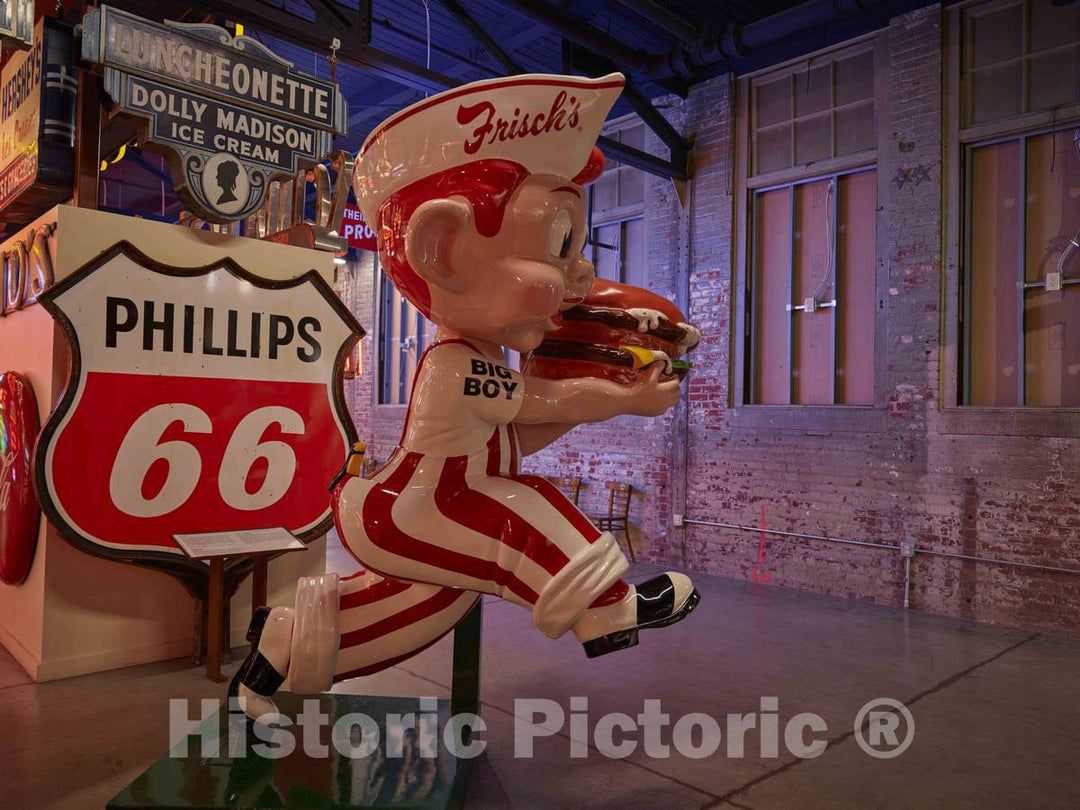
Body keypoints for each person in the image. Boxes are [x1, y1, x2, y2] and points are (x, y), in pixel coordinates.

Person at [231, 72, 700, 723]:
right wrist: (623, 396)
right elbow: (543, 405)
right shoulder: (455, 365)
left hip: (436, 505)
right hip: (416, 506)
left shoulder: (479, 360)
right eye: (559, 248)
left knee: (412, 613)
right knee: (522, 502)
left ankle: (273, 660)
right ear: (442, 249)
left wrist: (613, 386)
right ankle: (608, 607)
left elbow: (515, 435)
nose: (582, 274)